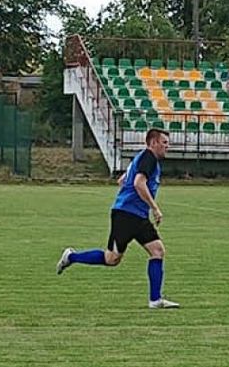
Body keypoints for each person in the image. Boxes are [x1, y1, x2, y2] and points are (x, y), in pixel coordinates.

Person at [56, 128, 179, 309]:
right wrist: (155, 208)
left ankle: (155, 300)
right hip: (126, 216)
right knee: (112, 258)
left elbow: (122, 180)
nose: (167, 147)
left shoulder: (142, 157)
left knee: (158, 251)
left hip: (137, 215)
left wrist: (129, 192)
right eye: (164, 143)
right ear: (153, 143)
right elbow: (138, 182)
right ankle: (71, 257)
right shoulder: (149, 158)